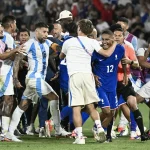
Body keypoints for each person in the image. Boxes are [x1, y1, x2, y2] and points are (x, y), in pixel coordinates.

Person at [5, 22, 70, 142]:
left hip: (36, 79)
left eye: (47, 32)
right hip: (35, 78)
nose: (46, 34)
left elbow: (57, 48)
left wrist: (65, 47)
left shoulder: (47, 42)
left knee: (23, 105)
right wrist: (15, 78)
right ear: (37, 32)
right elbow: (17, 60)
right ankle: (58, 129)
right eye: (44, 32)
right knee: (54, 98)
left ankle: (9, 133)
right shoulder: (29, 44)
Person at [59, 19, 117, 144]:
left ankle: (79, 137)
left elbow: (61, 57)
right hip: (88, 76)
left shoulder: (69, 42)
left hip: (75, 76)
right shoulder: (93, 42)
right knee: (91, 105)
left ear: (79, 29)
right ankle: (99, 127)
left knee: (76, 107)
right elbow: (106, 54)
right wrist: (115, 44)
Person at [113, 26, 148, 141]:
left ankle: (138, 132)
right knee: (110, 109)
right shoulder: (107, 47)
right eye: (115, 35)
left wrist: (130, 61)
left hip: (125, 81)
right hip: (111, 82)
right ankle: (104, 130)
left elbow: (137, 64)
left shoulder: (128, 47)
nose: (117, 37)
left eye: (119, 35)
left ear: (123, 36)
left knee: (132, 103)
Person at [92, 29, 126, 142]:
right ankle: (99, 128)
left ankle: (103, 133)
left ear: (113, 39)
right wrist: (93, 75)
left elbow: (124, 61)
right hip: (100, 85)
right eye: (102, 39)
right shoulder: (97, 51)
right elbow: (87, 64)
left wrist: (125, 76)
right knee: (106, 111)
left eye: (107, 39)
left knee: (112, 112)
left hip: (112, 85)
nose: (104, 42)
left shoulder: (120, 49)